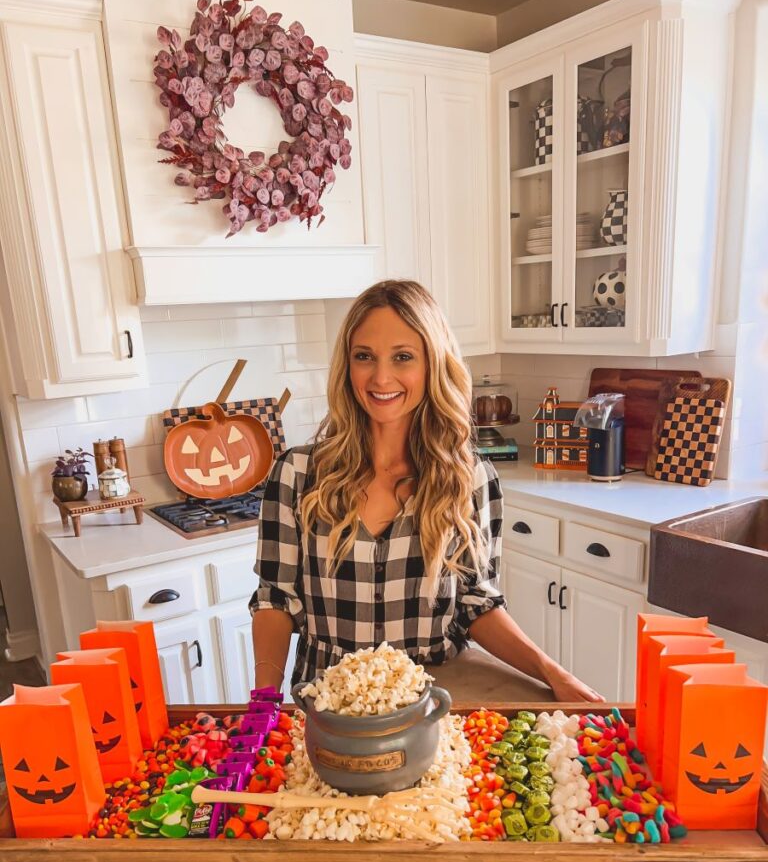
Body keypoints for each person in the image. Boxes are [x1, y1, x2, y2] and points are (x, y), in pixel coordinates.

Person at [250, 280, 603, 702]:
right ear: (347, 366)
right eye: (365, 357)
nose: (381, 377)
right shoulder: (298, 474)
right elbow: (275, 600)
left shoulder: (469, 478)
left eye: (403, 357)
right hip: (328, 706)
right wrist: (264, 701)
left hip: (435, 704)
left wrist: (553, 673)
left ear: (432, 364)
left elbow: (477, 605)